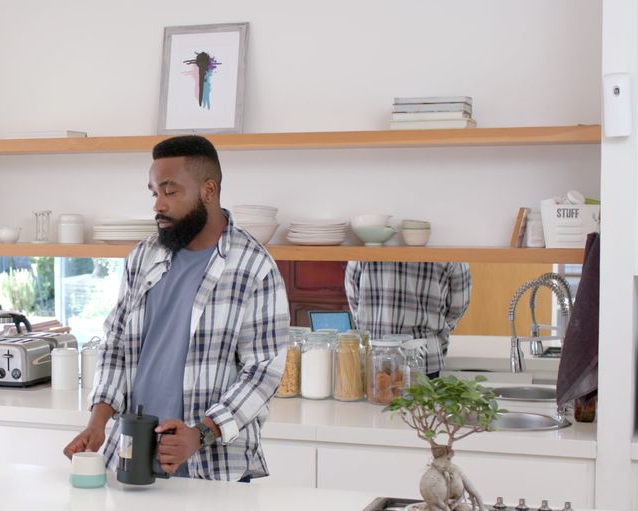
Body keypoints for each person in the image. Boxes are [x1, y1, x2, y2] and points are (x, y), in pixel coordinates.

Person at [62, 135, 289, 481]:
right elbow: (116, 344)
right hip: (132, 455)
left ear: (208, 191)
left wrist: (200, 433)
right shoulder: (144, 255)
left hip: (214, 468)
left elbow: (262, 373)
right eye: (154, 193)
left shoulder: (254, 266)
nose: (158, 205)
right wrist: (97, 422)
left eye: (170, 191)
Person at [344, 262, 472, 378]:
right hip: (425, 357)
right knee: (422, 404)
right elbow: (458, 305)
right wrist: (437, 332)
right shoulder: (448, 245)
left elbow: (353, 296)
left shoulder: (364, 242)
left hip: (374, 358)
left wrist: (368, 326)